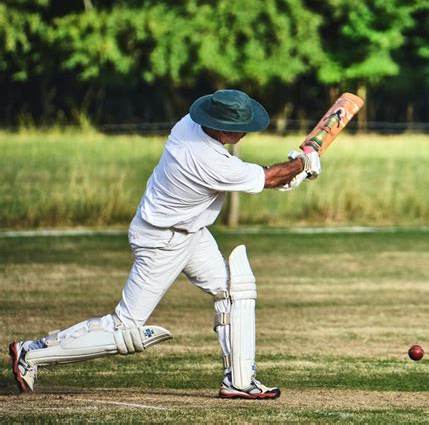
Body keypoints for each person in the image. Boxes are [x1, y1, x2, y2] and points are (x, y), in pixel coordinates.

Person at [9, 89, 321, 400]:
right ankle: (31, 352)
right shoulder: (205, 160)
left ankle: (239, 381)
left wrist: (294, 170)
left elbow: (266, 177)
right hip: (162, 241)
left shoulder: (189, 124)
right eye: (239, 127)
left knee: (234, 291)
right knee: (125, 328)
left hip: (191, 232)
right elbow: (267, 178)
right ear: (222, 129)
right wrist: (301, 165)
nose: (245, 132)